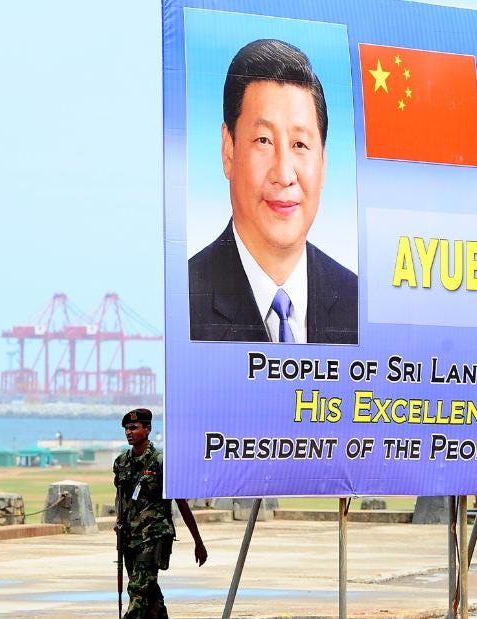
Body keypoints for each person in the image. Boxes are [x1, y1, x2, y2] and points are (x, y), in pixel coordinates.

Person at [189, 38, 358, 344]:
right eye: (263, 140)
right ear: (229, 150)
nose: (283, 174)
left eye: (300, 145)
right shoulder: (185, 299)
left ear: (323, 161)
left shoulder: (357, 301)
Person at [113, 408, 207, 618]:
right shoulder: (121, 462)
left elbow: (181, 503)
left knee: (139, 589)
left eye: (134, 428)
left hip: (154, 536)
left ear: (147, 429)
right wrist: (119, 521)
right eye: (127, 428)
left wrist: (198, 542)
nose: (129, 432)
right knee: (151, 595)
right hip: (130, 537)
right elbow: (121, 495)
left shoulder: (161, 462)